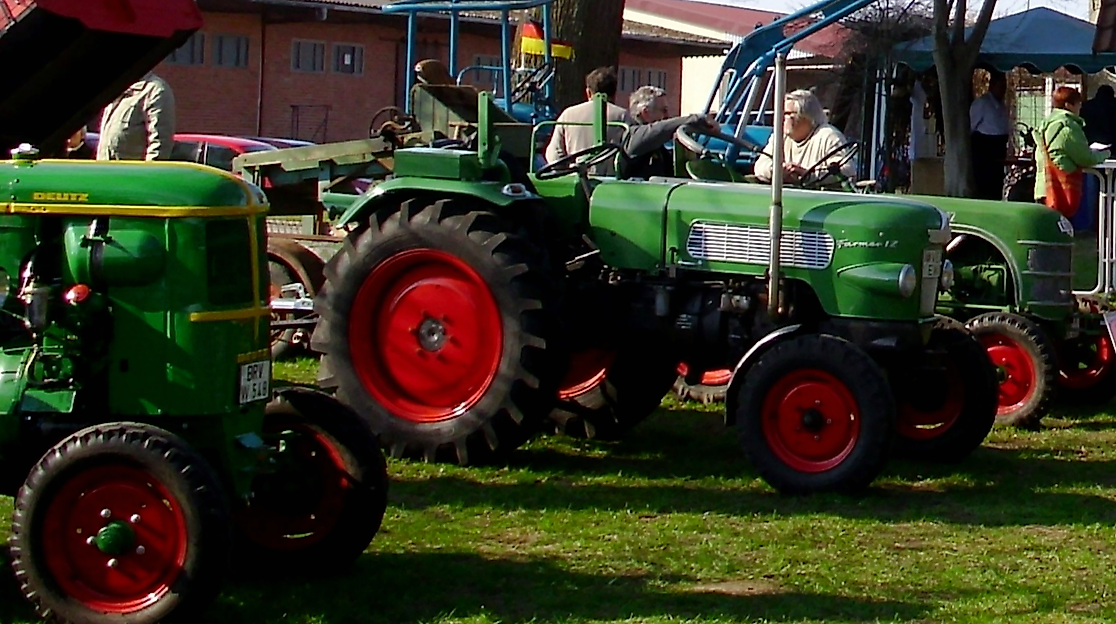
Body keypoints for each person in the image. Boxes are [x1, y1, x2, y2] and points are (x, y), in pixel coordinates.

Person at [753, 89, 856, 187]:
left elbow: (847, 170)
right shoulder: (780, 136)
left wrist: (808, 175)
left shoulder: (828, 136)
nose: (781, 118)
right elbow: (760, 166)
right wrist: (777, 171)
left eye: (787, 114)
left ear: (805, 116)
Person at [1033, 86, 1109, 218]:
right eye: (1078, 103)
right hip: (1061, 191)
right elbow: (1086, 158)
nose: (1080, 107)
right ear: (1068, 105)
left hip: (1043, 187)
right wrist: (1106, 154)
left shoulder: (1044, 125)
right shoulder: (1068, 127)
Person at [618, 85, 719, 180]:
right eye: (663, 110)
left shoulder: (659, 149)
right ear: (646, 113)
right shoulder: (633, 137)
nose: (667, 116)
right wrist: (696, 119)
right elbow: (660, 129)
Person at [544, 66, 631, 175]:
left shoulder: (568, 114)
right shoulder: (624, 116)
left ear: (588, 92)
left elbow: (554, 156)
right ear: (614, 93)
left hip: (577, 179)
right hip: (612, 183)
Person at [97, 72, 175, 161]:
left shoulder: (155, 90)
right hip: (104, 170)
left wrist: (149, 174)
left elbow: (159, 145)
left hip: (132, 173)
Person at [969, 70, 1011, 200]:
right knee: (985, 185)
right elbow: (972, 125)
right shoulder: (982, 103)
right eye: (1000, 85)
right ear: (992, 85)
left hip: (999, 146)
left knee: (997, 183)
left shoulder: (1001, 105)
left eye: (1004, 86)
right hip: (985, 148)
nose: (1003, 90)